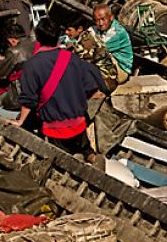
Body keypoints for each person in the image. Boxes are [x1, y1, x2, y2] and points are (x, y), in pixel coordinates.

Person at [13, 28, 108, 158]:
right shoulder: (73, 58)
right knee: (84, 148)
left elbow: (28, 100)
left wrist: (20, 121)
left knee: (57, 152)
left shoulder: (32, 65)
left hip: (55, 129)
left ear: (38, 39)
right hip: (79, 124)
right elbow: (90, 88)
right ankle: (90, 156)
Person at [61, 16, 121, 90]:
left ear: (80, 29)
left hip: (106, 81)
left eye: (69, 30)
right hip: (106, 76)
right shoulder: (86, 36)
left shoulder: (87, 42)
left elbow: (80, 64)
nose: (66, 32)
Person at [0, 23, 35, 111]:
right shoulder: (35, 44)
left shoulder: (14, 52)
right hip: (36, 90)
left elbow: (0, 74)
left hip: (20, 97)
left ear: (12, 41)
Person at [91, 4, 133, 82]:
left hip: (120, 70)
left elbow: (97, 51)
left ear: (111, 17)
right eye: (97, 20)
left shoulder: (117, 33)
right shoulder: (95, 29)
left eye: (103, 19)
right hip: (104, 63)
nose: (100, 23)